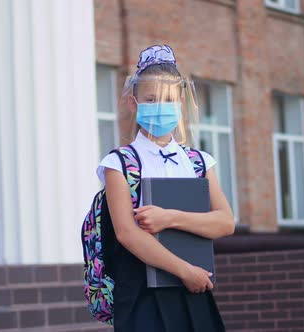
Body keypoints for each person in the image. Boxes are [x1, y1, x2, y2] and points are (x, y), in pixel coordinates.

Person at [96, 45, 235, 332]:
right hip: (142, 296)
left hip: (195, 290)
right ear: (134, 103)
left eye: (169, 99)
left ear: (181, 102)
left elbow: (225, 222)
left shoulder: (198, 161)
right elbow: (126, 234)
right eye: (151, 99)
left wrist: (168, 217)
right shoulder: (119, 163)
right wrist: (185, 271)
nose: (161, 107)